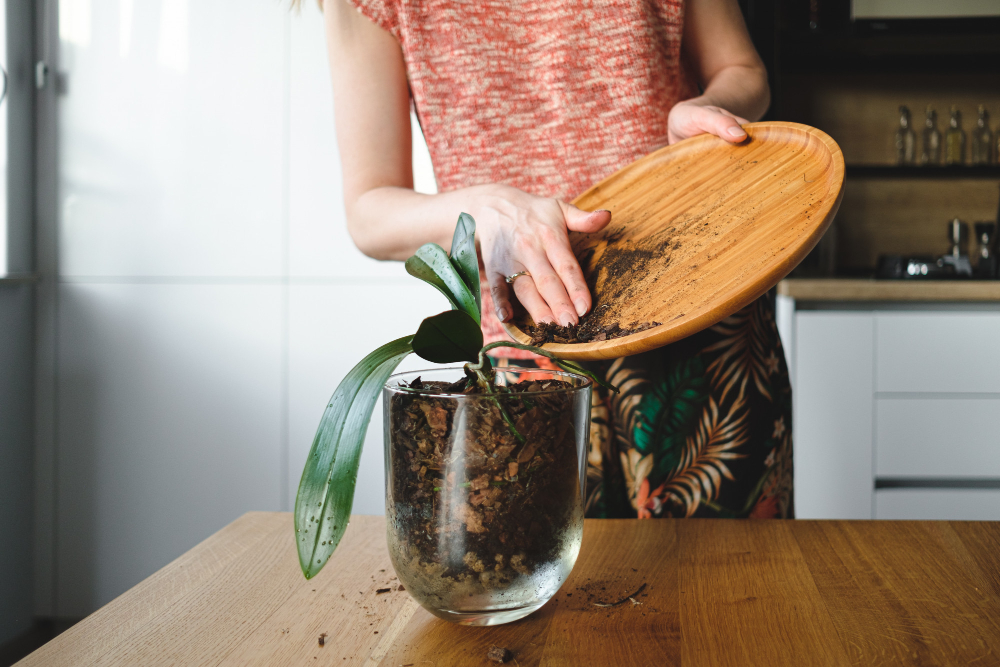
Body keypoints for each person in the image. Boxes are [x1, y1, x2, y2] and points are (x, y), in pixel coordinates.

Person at [313, 0, 792, 518]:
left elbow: (742, 70)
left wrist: (708, 105)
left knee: (736, 588)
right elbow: (370, 211)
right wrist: (485, 208)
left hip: (705, 328)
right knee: (548, 590)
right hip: (526, 361)